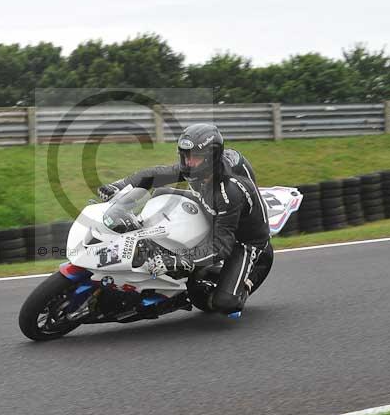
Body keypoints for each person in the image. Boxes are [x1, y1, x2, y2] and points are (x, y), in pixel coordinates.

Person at [97, 123, 273, 314]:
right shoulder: (198, 168)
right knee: (161, 193)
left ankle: (242, 283)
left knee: (226, 304)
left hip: (244, 240)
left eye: (194, 158)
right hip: (211, 211)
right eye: (184, 155)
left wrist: (181, 260)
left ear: (211, 158)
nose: (188, 163)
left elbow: (222, 246)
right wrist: (118, 186)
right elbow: (152, 175)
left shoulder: (228, 192)